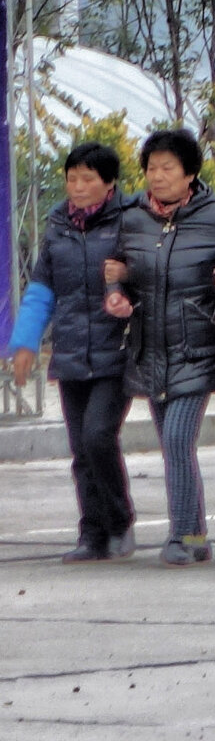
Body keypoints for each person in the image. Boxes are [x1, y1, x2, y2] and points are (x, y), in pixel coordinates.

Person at [110, 128, 215, 566]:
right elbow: (118, 267)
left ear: (191, 174)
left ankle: (183, 534)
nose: (158, 177)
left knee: (179, 438)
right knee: (171, 442)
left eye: (168, 168)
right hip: (150, 346)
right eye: (151, 168)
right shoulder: (131, 219)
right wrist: (116, 288)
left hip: (197, 346)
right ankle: (194, 532)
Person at [8, 142, 137, 562]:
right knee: (81, 448)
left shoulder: (131, 221)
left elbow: (153, 272)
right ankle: (92, 533)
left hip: (115, 348)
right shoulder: (58, 225)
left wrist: (128, 275)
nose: (78, 187)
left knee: (99, 436)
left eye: (88, 179)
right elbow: (42, 288)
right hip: (69, 351)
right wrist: (26, 342)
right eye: (72, 179)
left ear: (109, 183)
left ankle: (120, 523)